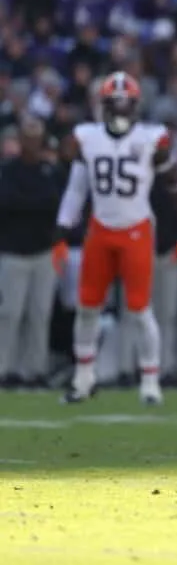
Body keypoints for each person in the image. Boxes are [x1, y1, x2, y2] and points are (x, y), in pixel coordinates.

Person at [53, 72, 177, 405]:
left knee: (139, 310)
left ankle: (150, 382)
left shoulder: (151, 138)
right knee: (87, 308)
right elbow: (76, 190)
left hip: (136, 230)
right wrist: (61, 233)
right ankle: (83, 379)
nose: (119, 109)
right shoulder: (87, 138)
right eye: (113, 103)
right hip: (100, 231)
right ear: (102, 105)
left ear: (135, 106)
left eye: (125, 103)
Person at [0, 116, 63, 387]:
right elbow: (7, 203)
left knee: (40, 313)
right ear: (21, 141)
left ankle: (34, 370)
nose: (33, 144)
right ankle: (6, 368)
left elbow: (54, 203)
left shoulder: (49, 171)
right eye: (28, 138)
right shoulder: (8, 170)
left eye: (37, 139)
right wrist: (35, 203)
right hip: (13, 251)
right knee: (10, 314)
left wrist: (28, 203)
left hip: (43, 251)